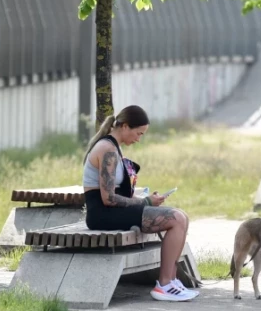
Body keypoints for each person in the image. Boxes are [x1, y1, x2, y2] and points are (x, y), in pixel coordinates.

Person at [83, 105, 198, 302]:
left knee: (181, 217)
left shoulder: (114, 147)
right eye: (139, 133)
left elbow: (115, 191)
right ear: (125, 126)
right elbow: (108, 198)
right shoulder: (107, 149)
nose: (139, 139)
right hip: (102, 214)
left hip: (111, 211)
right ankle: (163, 285)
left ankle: (170, 280)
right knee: (176, 219)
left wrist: (144, 198)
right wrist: (144, 202)